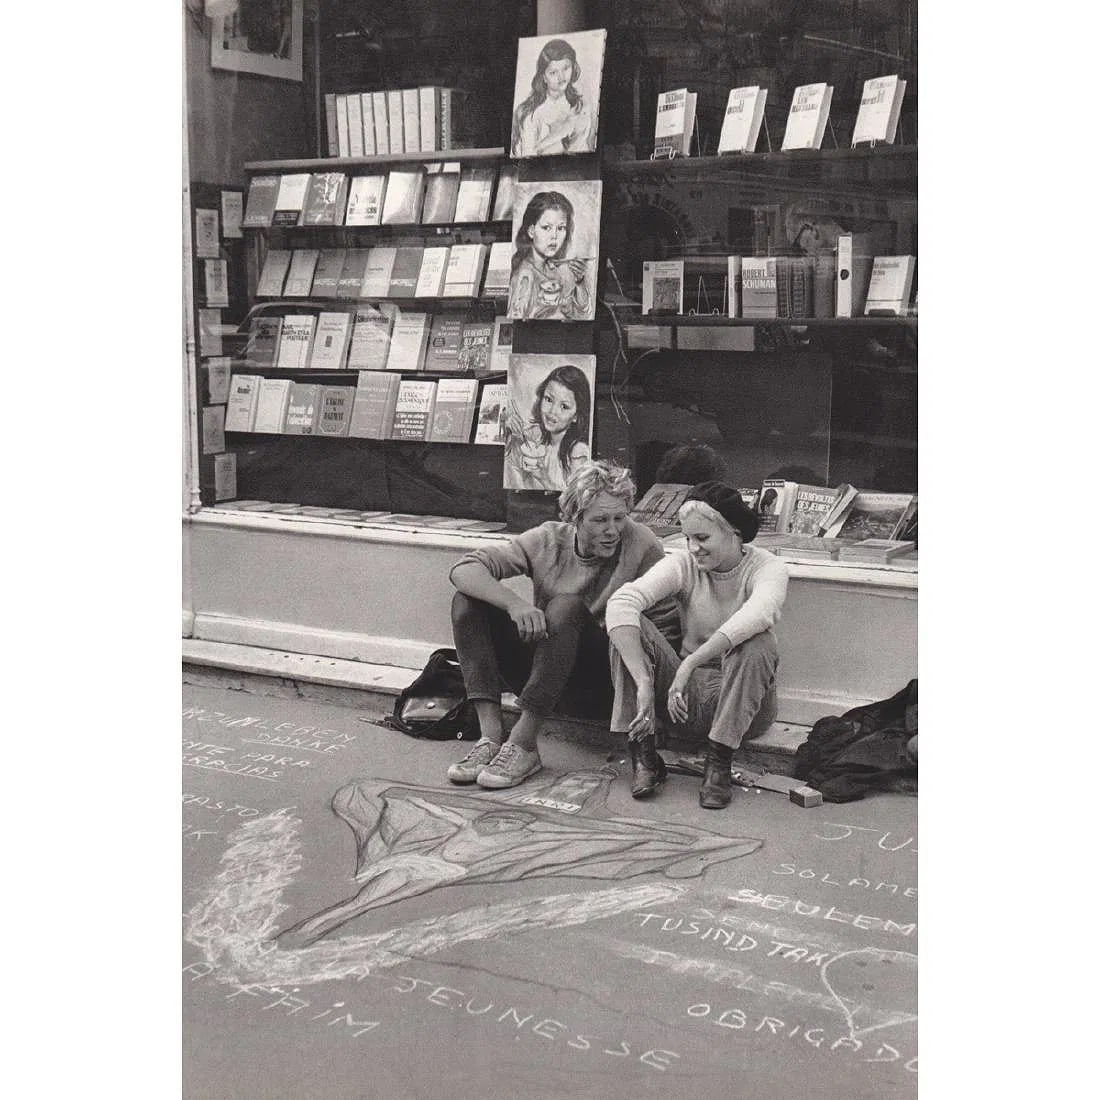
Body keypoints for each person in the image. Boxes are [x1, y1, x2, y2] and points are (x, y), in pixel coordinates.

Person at [446, 460, 677, 791]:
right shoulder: (547, 539)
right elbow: (465, 568)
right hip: (548, 671)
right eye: (599, 520)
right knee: (467, 602)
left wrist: (652, 700)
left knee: (566, 606)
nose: (612, 529)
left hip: (606, 681)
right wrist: (515, 604)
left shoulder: (642, 545)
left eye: (619, 517)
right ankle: (490, 739)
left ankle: (524, 744)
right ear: (575, 518)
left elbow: (663, 631)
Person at [605, 481, 789, 808]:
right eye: (688, 538)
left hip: (743, 704)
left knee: (758, 640)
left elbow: (760, 613)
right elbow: (622, 602)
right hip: (684, 700)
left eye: (702, 538)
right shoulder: (683, 564)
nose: (693, 548)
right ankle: (643, 753)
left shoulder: (767, 567)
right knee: (628, 628)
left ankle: (718, 762)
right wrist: (645, 682)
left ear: (734, 532)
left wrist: (690, 662)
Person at [504, 364, 591, 490]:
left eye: (564, 406)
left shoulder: (578, 452)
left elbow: (576, 501)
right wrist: (508, 430)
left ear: (576, 416)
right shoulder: (534, 435)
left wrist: (544, 478)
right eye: (548, 399)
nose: (552, 411)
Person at [507, 191, 591, 321]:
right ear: (531, 231)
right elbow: (518, 319)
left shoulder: (552, 268)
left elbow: (580, 314)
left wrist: (579, 282)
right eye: (547, 228)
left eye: (561, 228)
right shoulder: (525, 275)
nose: (554, 236)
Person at [510, 37, 593, 157]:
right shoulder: (530, 113)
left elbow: (582, 150)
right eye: (553, 72)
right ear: (543, 77)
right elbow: (527, 156)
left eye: (566, 68)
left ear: (573, 67)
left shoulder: (580, 106)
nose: (561, 76)